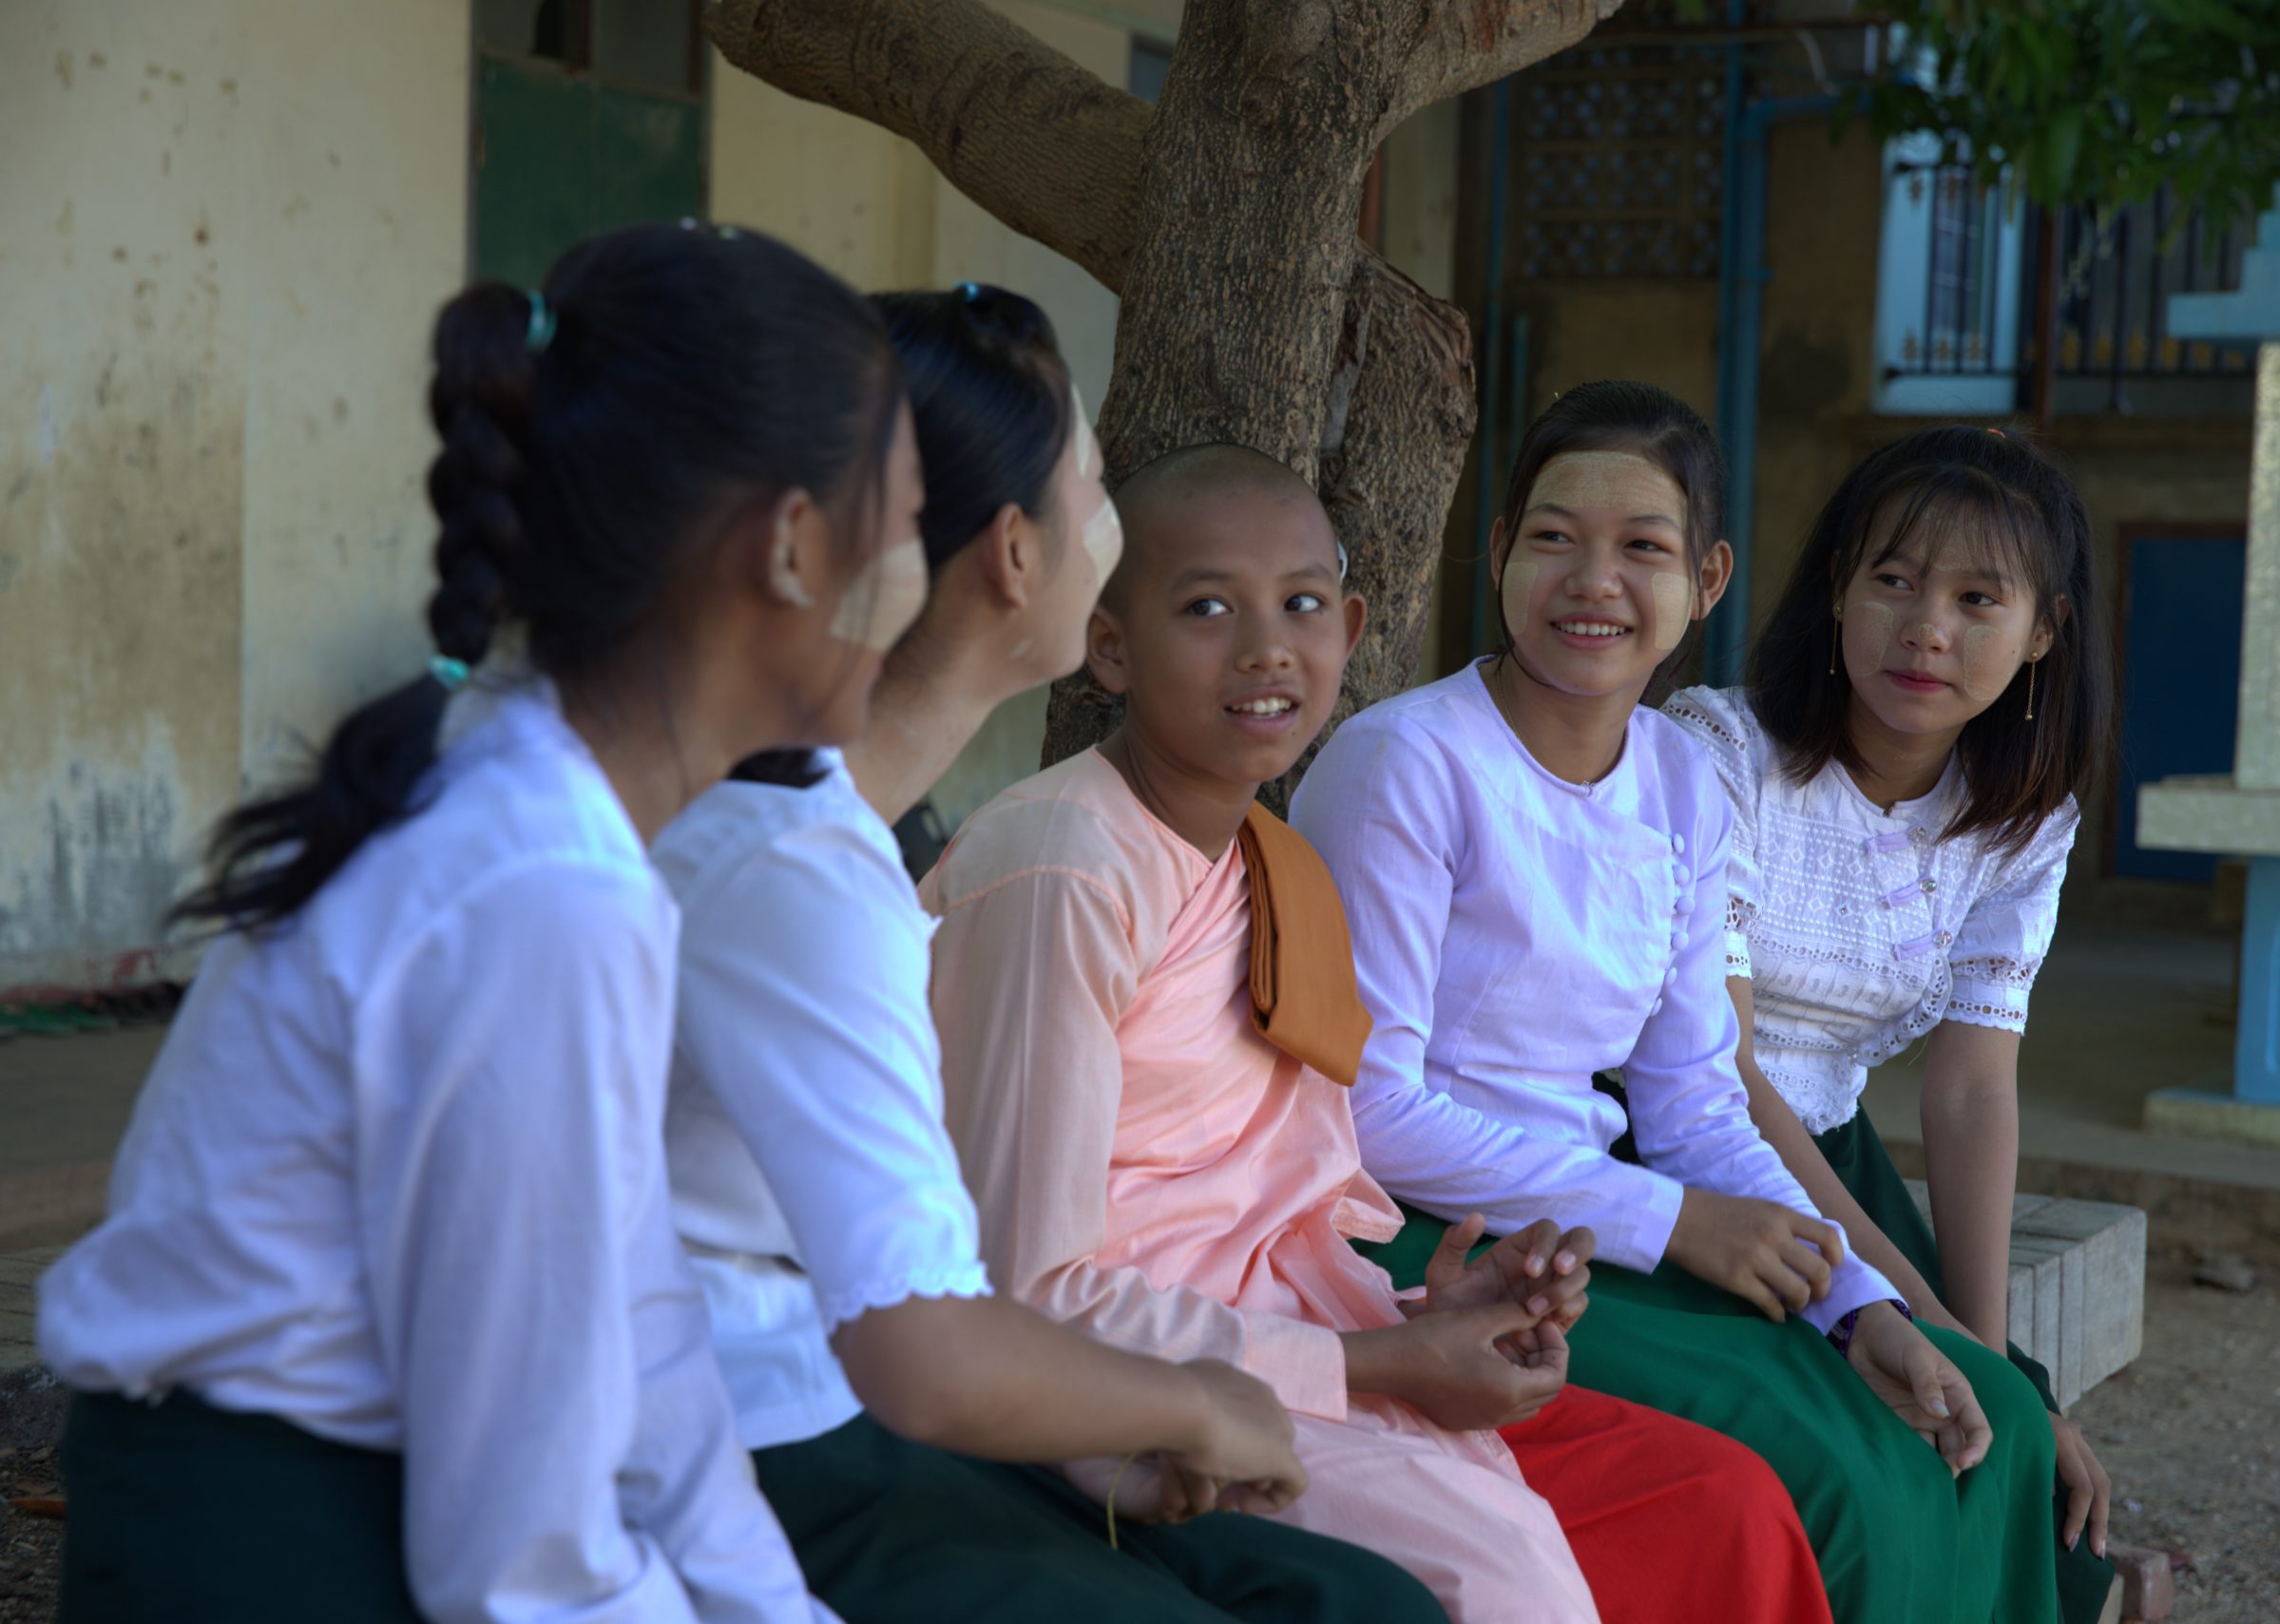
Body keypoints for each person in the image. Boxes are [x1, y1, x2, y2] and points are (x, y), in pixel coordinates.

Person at [36, 222, 915, 1624]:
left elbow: (641, 1325)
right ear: (797, 547)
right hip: (267, 1550)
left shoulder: (543, 808)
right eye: (910, 518)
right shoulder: (543, 888)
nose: (915, 574)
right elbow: (524, 1561)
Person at [921, 442, 1832, 1624]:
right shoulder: (1064, 871)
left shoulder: (1276, 860)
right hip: (1130, 1397)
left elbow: (1272, 1201)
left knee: (1721, 1499)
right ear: (1107, 642)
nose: (1265, 649)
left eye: (1301, 604)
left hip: (1296, 1338)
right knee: (1507, 1579)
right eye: (1206, 606)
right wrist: (1373, 1366)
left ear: (1350, 629)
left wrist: (1434, 1317)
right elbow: (1030, 1292)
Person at [657, 283, 1444, 1623]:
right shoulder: (818, 876)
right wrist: (1192, 1399)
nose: (1116, 517)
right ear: (1021, 563)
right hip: (747, 1436)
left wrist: (1115, 1432)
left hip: (830, 1394)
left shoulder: (834, 836)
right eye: (1093, 483)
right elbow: (936, 1347)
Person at [1293, 381, 2062, 1624]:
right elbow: (1370, 1113)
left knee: (1982, 1418)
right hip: (1424, 1242)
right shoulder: (1407, 764)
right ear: (1497, 556)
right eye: (1553, 537)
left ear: (1705, 579)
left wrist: (1856, 1303)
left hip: (1593, 1228)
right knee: (1825, 1474)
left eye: (1641, 546)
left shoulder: (1681, 785)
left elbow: (1696, 1100)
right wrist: (1676, 1222)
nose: (1592, 579)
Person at [1661, 424, 2122, 1624]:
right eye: (1893, 579)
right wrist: (1906, 1302)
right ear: (1836, 589)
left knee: (2003, 1402)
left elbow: (1971, 1089)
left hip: (1834, 1148)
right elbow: (1723, 1066)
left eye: (1979, 596)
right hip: (1681, 1138)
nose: (1926, 628)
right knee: (1883, 1423)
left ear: (2042, 633)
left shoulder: (2022, 819)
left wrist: (1981, 1339)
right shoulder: (1720, 750)